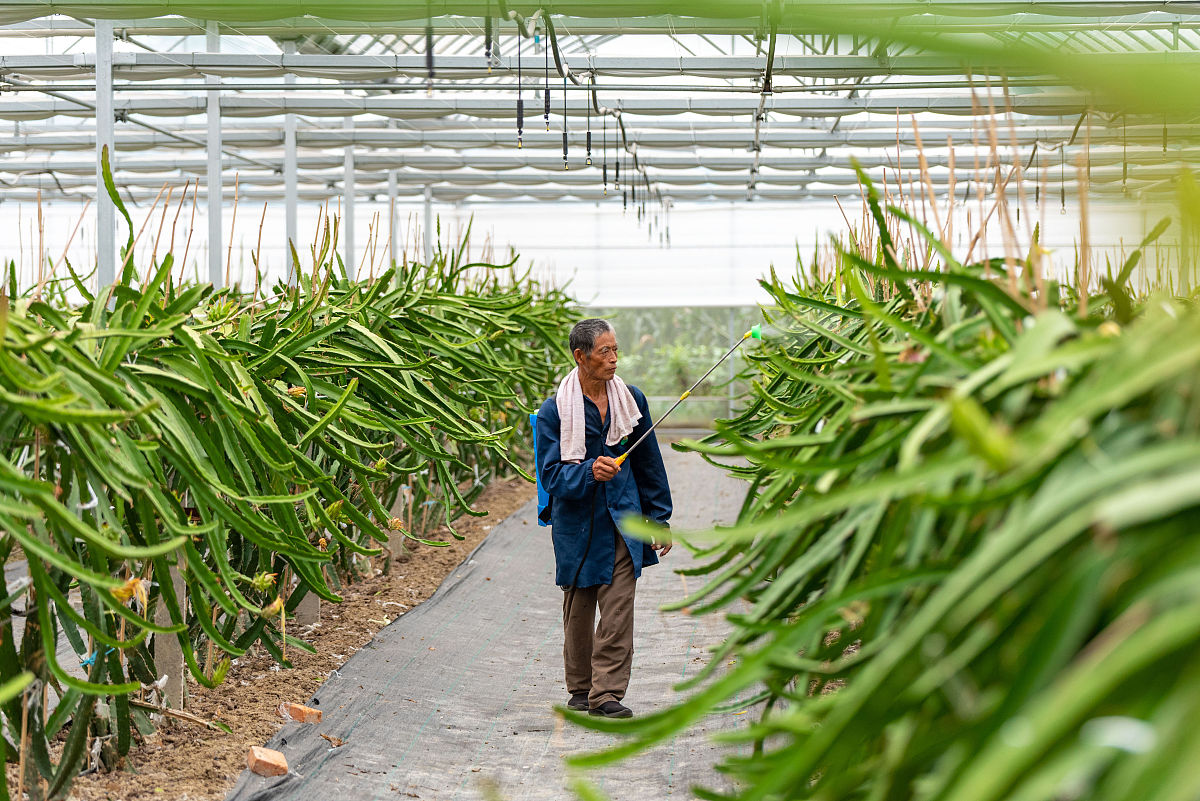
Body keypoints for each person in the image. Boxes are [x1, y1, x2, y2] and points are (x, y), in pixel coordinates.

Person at [535, 318, 673, 719]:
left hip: (623, 519)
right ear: (580, 356)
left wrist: (659, 517)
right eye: (604, 352)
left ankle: (606, 694)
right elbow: (550, 476)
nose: (614, 359)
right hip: (577, 524)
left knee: (617, 609)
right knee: (579, 610)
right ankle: (580, 688)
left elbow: (649, 463)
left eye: (616, 350)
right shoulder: (554, 412)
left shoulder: (631, 401)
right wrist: (588, 472)